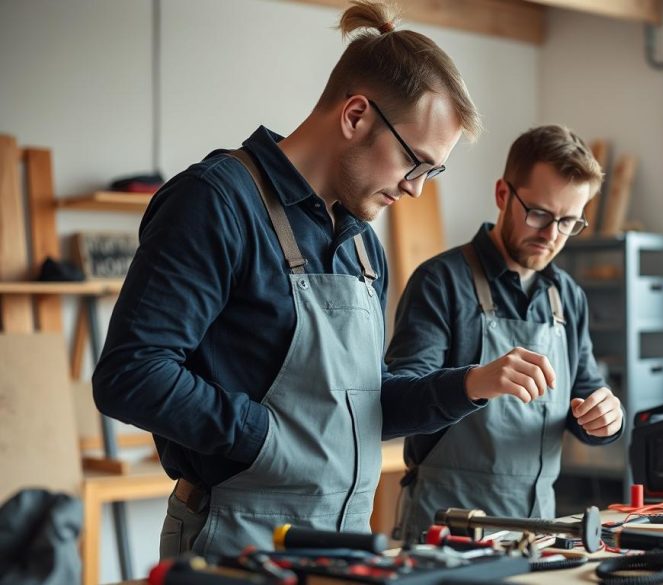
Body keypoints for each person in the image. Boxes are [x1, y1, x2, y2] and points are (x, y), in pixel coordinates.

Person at [92, 1, 557, 559]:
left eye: (432, 172)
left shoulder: (361, 244)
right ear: (356, 115)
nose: (415, 189)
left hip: (342, 544)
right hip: (236, 543)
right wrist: (265, 438)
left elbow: (365, 405)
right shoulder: (217, 201)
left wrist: (469, 385)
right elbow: (131, 373)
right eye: (414, 162)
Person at [387, 125, 624, 542]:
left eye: (568, 222)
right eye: (539, 214)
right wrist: (474, 383)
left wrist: (606, 418)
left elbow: (584, 398)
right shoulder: (441, 282)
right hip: (446, 530)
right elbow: (396, 404)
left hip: (537, 531)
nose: (551, 236)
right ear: (502, 195)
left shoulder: (567, 296)